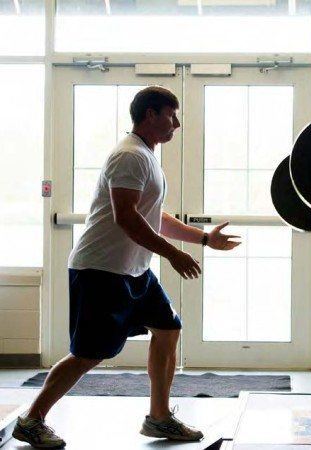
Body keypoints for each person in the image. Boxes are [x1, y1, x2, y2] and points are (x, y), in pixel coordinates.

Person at [12, 86, 240, 449]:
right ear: (150, 115)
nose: (176, 123)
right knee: (89, 354)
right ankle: (32, 420)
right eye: (171, 114)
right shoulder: (129, 156)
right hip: (101, 270)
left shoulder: (147, 157)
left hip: (133, 271)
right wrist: (172, 255)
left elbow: (154, 217)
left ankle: (159, 417)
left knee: (168, 327)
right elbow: (127, 218)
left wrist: (202, 239)